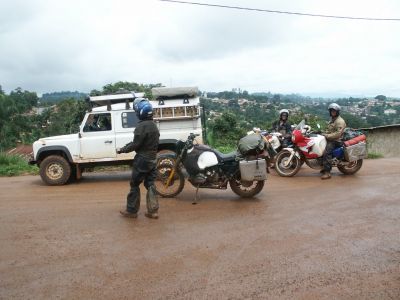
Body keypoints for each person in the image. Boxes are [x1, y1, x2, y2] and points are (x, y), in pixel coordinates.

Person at [118, 98, 160, 219]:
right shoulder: (154, 125)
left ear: (139, 112)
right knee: (151, 184)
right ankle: (153, 211)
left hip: (142, 159)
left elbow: (136, 144)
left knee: (135, 184)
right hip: (153, 158)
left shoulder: (141, 127)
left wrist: (123, 149)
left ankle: (131, 211)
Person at [321, 103, 346, 180]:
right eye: (331, 111)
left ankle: (327, 172)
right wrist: (321, 132)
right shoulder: (332, 119)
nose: (333, 112)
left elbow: (338, 134)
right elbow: (329, 130)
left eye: (334, 111)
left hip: (336, 140)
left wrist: (326, 136)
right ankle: (324, 166)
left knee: (326, 153)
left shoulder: (339, 121)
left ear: (337, 112)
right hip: (331, 138)